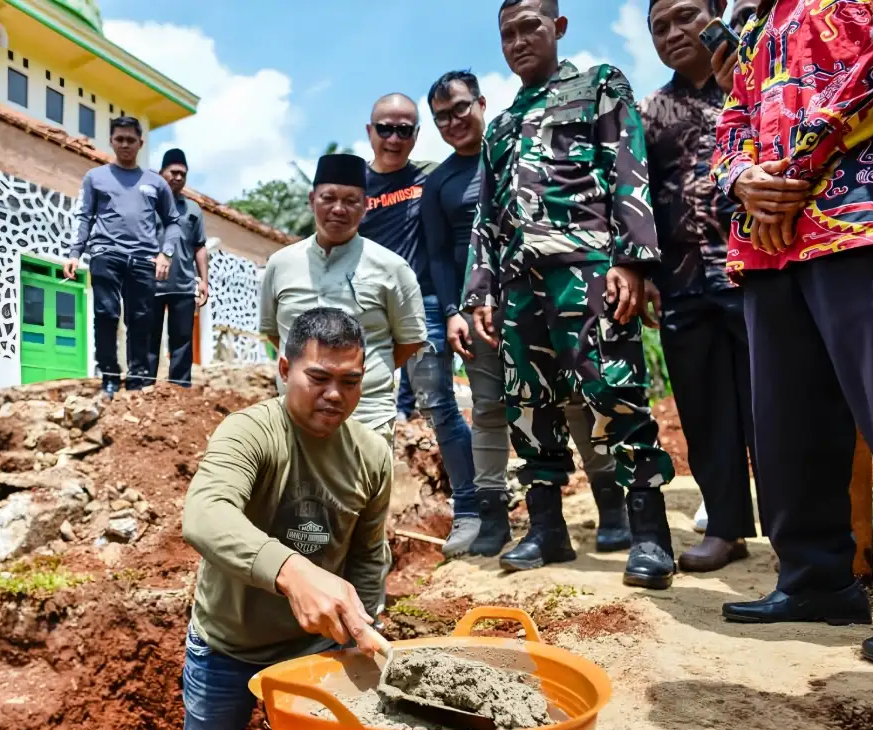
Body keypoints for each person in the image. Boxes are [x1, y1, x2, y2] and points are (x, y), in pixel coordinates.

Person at [465, 0, 677, 589]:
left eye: (530, 26)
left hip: (588, 267)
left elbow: (628, 167)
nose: (518, 40)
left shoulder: (599, 86)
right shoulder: (502, 125)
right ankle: (547, 530)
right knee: (528, 404)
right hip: (517, 284)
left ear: (558, 28)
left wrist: (632, 262)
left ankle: (650, 537)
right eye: (507, 33)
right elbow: (486, 215)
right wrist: (480, 290)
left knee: (615, 392)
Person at [714, 0, 873, 668]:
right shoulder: (756, 26)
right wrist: (744, 180)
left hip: (857, 224)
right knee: (788, 424)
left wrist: (794, 165)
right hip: (768, 246)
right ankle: (816, 582)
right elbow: (732, 119)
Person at [172, 307, 390, 730]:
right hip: (226, 646)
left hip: (314, 652)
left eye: (350, 381)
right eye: (318, 377)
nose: (335, 395)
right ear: (284, 368)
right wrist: (292, 570)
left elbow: (368, 554)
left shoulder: (373, 455)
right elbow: (205, 513)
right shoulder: (250, 433)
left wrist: (362, 629)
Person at [428, 69, 632, 558]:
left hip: (544, 297)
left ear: (480, 103)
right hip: (480, 313)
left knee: (576, 397)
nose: (453, 121)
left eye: (460, 108)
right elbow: (437, 255)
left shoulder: (520, 148)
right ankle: (495, 519)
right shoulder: (438, 182)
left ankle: (612, 505)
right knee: (490, 408)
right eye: (441, 118)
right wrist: (456, 309)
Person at [641, 0, 761, 572]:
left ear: (716, 13)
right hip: (682, 283)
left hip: (758, 270)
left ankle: (798, 532)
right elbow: (635, 200)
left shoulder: (756, 75)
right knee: (705, 410)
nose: (672, 32)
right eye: (659, 26)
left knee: (776, 407)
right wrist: (641, 270)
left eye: (685, 16)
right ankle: (728, 528)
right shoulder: (651, 111)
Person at [356, 92, 481, 552]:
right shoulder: (355, 185)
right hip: (366, 311)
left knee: (439, 405)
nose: (393, 137)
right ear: (369, 131)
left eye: (404, 129)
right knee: (355, 409)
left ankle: (471, 508)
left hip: (425, 305)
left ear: (416, 134)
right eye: (384, 128)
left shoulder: (431, 178)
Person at [260, 152, 427, 447]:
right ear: (312, 200)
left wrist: (359, 375)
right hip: (295, 420)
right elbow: (275, 333)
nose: (339, 209)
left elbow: (409, 341)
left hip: (367, 419)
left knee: (362, 494)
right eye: (328, 198)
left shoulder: (392, 268)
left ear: (366, 205)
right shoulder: (280, 264)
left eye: (351, 201)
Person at [64, 116, 180, 395]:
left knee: (140, 318)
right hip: (106, 253)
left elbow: (173, 222)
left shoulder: (156, 183)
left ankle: (138, 378)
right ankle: (110, 375)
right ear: (112, 142)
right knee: (106, 313)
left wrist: (166, 254)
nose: (125, 145)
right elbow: (85, 216)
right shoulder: (96, 177)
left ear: (141, 143)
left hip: (143, 260)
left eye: (131, 140)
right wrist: (74, 253)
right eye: (120, 139)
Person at [148, 148, 208, 388]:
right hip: (149, 285)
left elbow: (200, 247)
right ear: (161, 173)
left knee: (182, 341)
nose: (178, 177)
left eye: (183, 174)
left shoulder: (193, 210)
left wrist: (203, 281)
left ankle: (179, 390)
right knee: (148, 340)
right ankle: (145, 387)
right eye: (173, 172)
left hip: (183, 287)